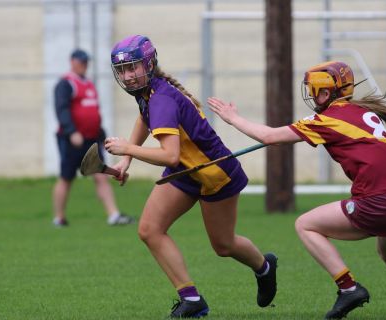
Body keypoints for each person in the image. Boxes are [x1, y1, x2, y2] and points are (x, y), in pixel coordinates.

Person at [208, 61, 386, 319]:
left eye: (314, 90)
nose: (312, 95)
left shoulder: (327, 119)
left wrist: (233, 119)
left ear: (327, 93)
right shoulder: (365, 113)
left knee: (305, 224)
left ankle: (348, 288)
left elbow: (270, 137)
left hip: (381, 199)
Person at [104, 35, 278, 318]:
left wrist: (128, 147)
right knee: (149, 230)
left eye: (133, 67)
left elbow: (170, 155)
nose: (128, 76)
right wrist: (126, 160)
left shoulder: (161, 99)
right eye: (122, 70)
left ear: (149, 64)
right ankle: (191, 299)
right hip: (185, 171)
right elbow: (143, 119)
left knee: (224, 245)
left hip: (214, 174)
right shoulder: (149, 94)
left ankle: (265, 267)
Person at [52, 49, 135, 227]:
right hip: (72, 140)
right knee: (66, 178)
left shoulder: (88, 84)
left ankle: (113, 215)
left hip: (91, 140)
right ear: (72, 62)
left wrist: (101, 136)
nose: (84, 65)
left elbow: (94, 113)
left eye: (86, 62)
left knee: (101, 175)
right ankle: (59, 217)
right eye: (81, 61)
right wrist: (71, 131)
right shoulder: (66, 84)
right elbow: (62, 109)